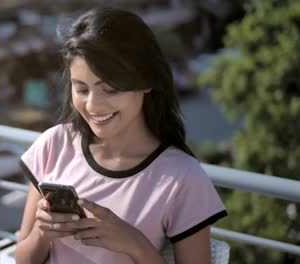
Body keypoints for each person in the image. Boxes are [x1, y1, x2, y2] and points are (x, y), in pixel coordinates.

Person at [15, 7, 227, 264]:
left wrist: (135, 244)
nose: (93, 106)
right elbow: (23, 260)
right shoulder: (54, 144)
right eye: (82, 89)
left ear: (147, 81)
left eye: (110, 90)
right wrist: (42, 232)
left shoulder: (183, 177)